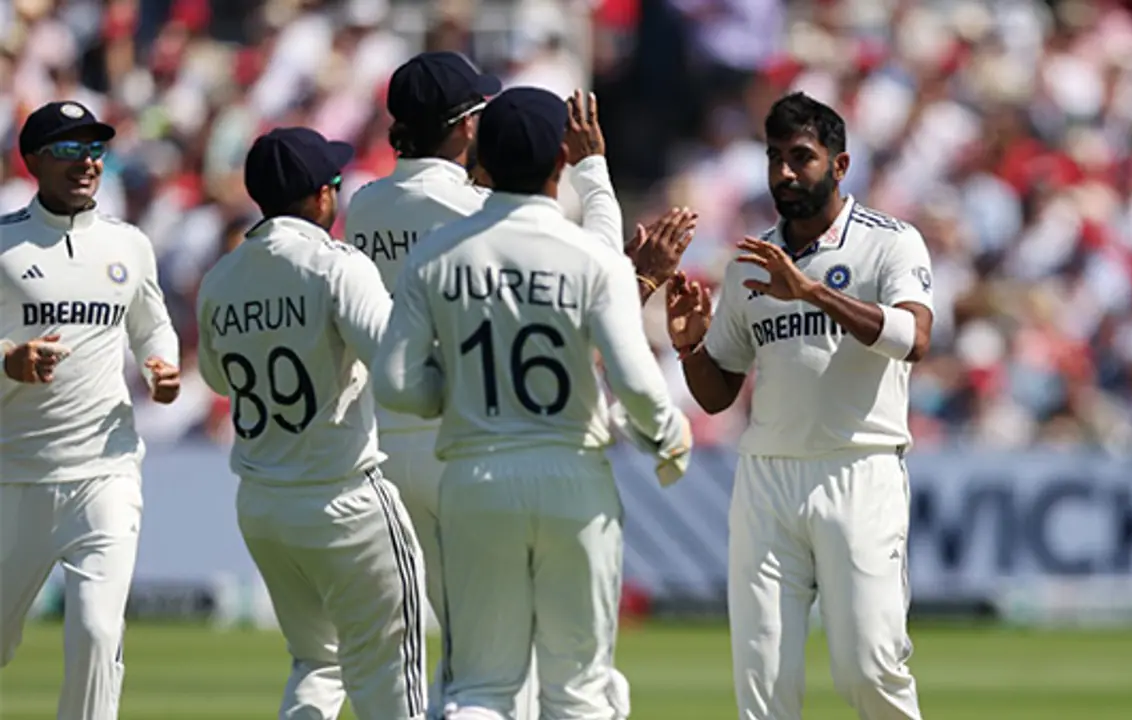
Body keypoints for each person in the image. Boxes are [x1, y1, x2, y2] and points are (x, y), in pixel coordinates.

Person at [345, 52, 693, 720]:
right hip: (543, 459)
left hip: (430, 455)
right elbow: (596, 289)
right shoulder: (486, 219)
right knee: (576, 685)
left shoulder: (367, 209)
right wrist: (594, 175)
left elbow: (395, 378)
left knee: (478, 676)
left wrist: (456, 390)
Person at [666, 92, 933, 720]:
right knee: (763, 684)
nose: (785, 173)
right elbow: (718, 391)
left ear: (839, 167)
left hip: (859, 468)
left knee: (870, 669)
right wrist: (687, 346)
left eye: (802, 158)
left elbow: (914, 339)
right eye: (775, 158)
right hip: (767, 479)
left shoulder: (890, 243)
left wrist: (811, 292)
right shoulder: (750, 263)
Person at [195, 127, 427, 720]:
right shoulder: (337, 265)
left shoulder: (221, 278)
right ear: (322, 196)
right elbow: (395, 363)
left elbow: (219, 381)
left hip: (265, 506)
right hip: (344, 497)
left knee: (316, 664)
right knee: (389, 671)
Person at [0, 100, 181, 720]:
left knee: (99, 634)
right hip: (15, 474)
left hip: (105, 471)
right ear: (33, 161)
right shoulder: (3, 244)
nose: (87, 163)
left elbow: (153, 328)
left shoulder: (128, 244)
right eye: (69, 150)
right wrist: (8, 359)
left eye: (95, 149)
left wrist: (161, 367)